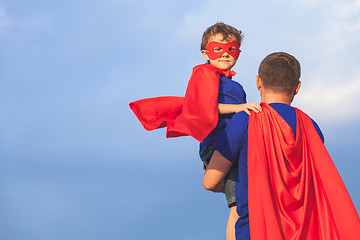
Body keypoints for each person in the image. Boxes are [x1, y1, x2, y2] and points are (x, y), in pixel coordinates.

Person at [203, 52, 360, 239]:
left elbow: (210, 181)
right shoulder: (310, 126)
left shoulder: (244, 120)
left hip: (255, 231)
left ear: (258, 82)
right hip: (305, 232)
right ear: (297, 87)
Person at [129, 22, 261, 239]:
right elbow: (202, 106)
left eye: (231, 49)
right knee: (238, 206)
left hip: (233, 146)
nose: (225, 54)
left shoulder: (236, 86)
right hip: (219, 145)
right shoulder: (204, 74)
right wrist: (239, 108)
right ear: (205, 53)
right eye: (218, 49)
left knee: (246, 197)